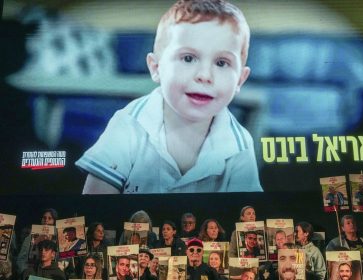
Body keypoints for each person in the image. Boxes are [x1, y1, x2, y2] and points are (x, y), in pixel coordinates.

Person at [75, 0, 262, 194]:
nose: (205, 76)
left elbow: (246, 215)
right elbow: (95, 205)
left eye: (222, 63)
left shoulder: (239, 145)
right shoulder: (129, 125)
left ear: (240, 80)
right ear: (156, 68)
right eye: (188, 58)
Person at [17, 208, 58, 275]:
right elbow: (21, 259)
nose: (46, 220)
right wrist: (25, 272)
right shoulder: (31, 237)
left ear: (54, 221)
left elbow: (61, 260)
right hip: (32, 273)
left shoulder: (58, 238)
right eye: (44, 218)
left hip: (51, 274)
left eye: (50, 218)